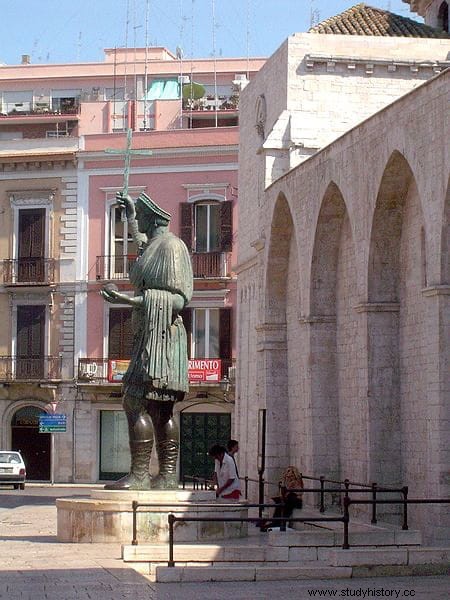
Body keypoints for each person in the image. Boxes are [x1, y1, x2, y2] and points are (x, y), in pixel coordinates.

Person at [101, 191, 193, 490]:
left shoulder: (172, 246)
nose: (137, 224)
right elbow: (141, 241)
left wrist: (128, 299)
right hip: (150, 335)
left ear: (153, 219)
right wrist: (128, 213)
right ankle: (165, 477)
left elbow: (179, 299)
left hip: (163, 338)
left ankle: (142, 475)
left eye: (140, 218)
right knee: (158, 409)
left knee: (135, 401)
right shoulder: (154, 245)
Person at [261, 466, 303, 531]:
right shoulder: (285, 482)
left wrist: (289, 488)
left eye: (290, 475)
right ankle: (273, 521)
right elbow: (281, 494)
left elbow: (299, 493)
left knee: (285, 502)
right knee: (276, 501)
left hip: (295, 501)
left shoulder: (296, 482)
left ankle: (276, 522)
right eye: (287, 475)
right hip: (287, 499)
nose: (288, 476)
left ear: (294, 474)